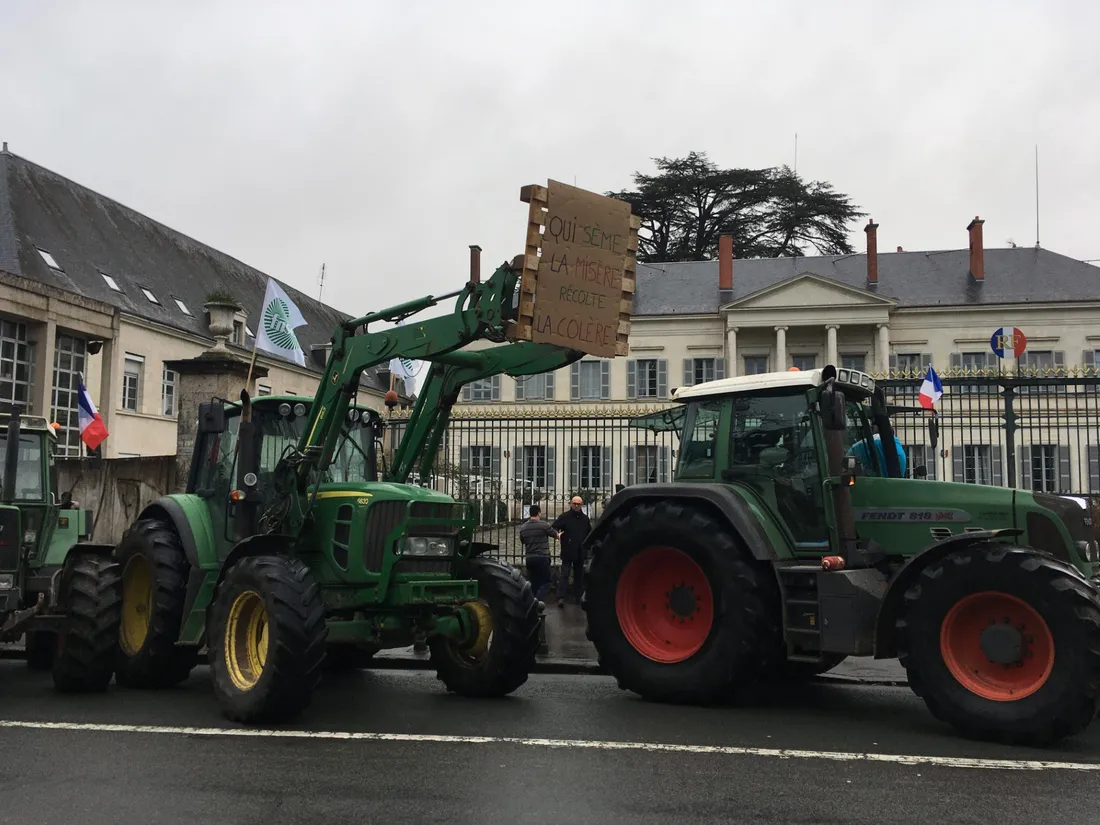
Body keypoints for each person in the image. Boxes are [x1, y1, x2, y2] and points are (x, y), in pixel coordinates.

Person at [551, 495, 591, 607]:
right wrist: (557, 534)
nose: (576, 506)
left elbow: (589, 533)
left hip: (580, 551)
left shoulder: (585, 519)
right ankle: (561, 597)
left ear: (582, 505)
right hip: (567, 550)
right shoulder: (565, 517)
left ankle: (578, 597)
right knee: (565, 574)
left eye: (579, 504)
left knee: (579, 576)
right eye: (575, 504)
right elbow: (554, 527)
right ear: (571, 504)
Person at [518, 504, 559, 602]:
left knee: (534, 584)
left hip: (529, 558)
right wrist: (559, 535)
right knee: (547, 582)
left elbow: (523, 541)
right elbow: (556, 535)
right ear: (539, 513)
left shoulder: (523, 527)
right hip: (542, 557)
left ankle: (531, 603)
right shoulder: (544, 525)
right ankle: (536, 602)